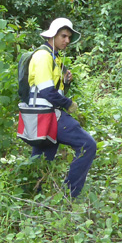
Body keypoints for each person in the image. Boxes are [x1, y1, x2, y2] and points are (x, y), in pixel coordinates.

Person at [28, 18, 96, 198]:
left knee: (40, 161)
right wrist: (68, 104)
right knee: (87, 145)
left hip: (41, 115)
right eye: (63, 36)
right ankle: (70, 195)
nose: (67, 40)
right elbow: (47, 92)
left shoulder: (54, 57)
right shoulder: (43, 56)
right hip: (48, 115)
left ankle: (34, 199)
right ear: (53, 35)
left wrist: (65, 83)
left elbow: (50, 89)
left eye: (69, 37)